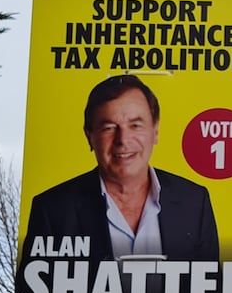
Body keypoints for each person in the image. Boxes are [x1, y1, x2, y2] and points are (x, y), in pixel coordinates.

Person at [19, 73, 219, 265]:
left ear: (155, 131)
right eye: (109, 128)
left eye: (135, 125)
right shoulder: (52, 211)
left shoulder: (194, 202)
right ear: (89, 136)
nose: (122, 140)